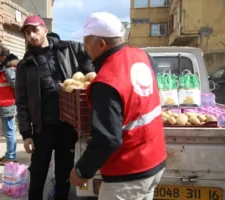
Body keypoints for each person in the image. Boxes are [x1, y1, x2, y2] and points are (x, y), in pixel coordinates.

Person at [70, 12, 167, 200]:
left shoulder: (106, 81)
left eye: (86, 42)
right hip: (155, 162)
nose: (85, 48)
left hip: (127, 174)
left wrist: (81, 170)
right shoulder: (142, 56)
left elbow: (107, 139)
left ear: (101, 44)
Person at [15, 15, 93, 200]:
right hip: (42, 128)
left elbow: (91, 61)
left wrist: (91, 75)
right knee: (38, 173)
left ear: (45, 29)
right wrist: (26, 134)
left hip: (68, 125)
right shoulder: (24, 65)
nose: (32, 35)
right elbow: (21, 100)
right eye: (27, 33)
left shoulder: (68, 49)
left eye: (35, 30)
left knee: (64, 174)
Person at [0, 44, 19, 165]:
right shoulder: (3, 67)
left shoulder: (8, 69)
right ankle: (9, 154)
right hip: (4, 103)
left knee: (9, 132)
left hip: (8, 104)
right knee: (8, 131)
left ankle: (11, 157)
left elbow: (17, 85)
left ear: (3, 57)